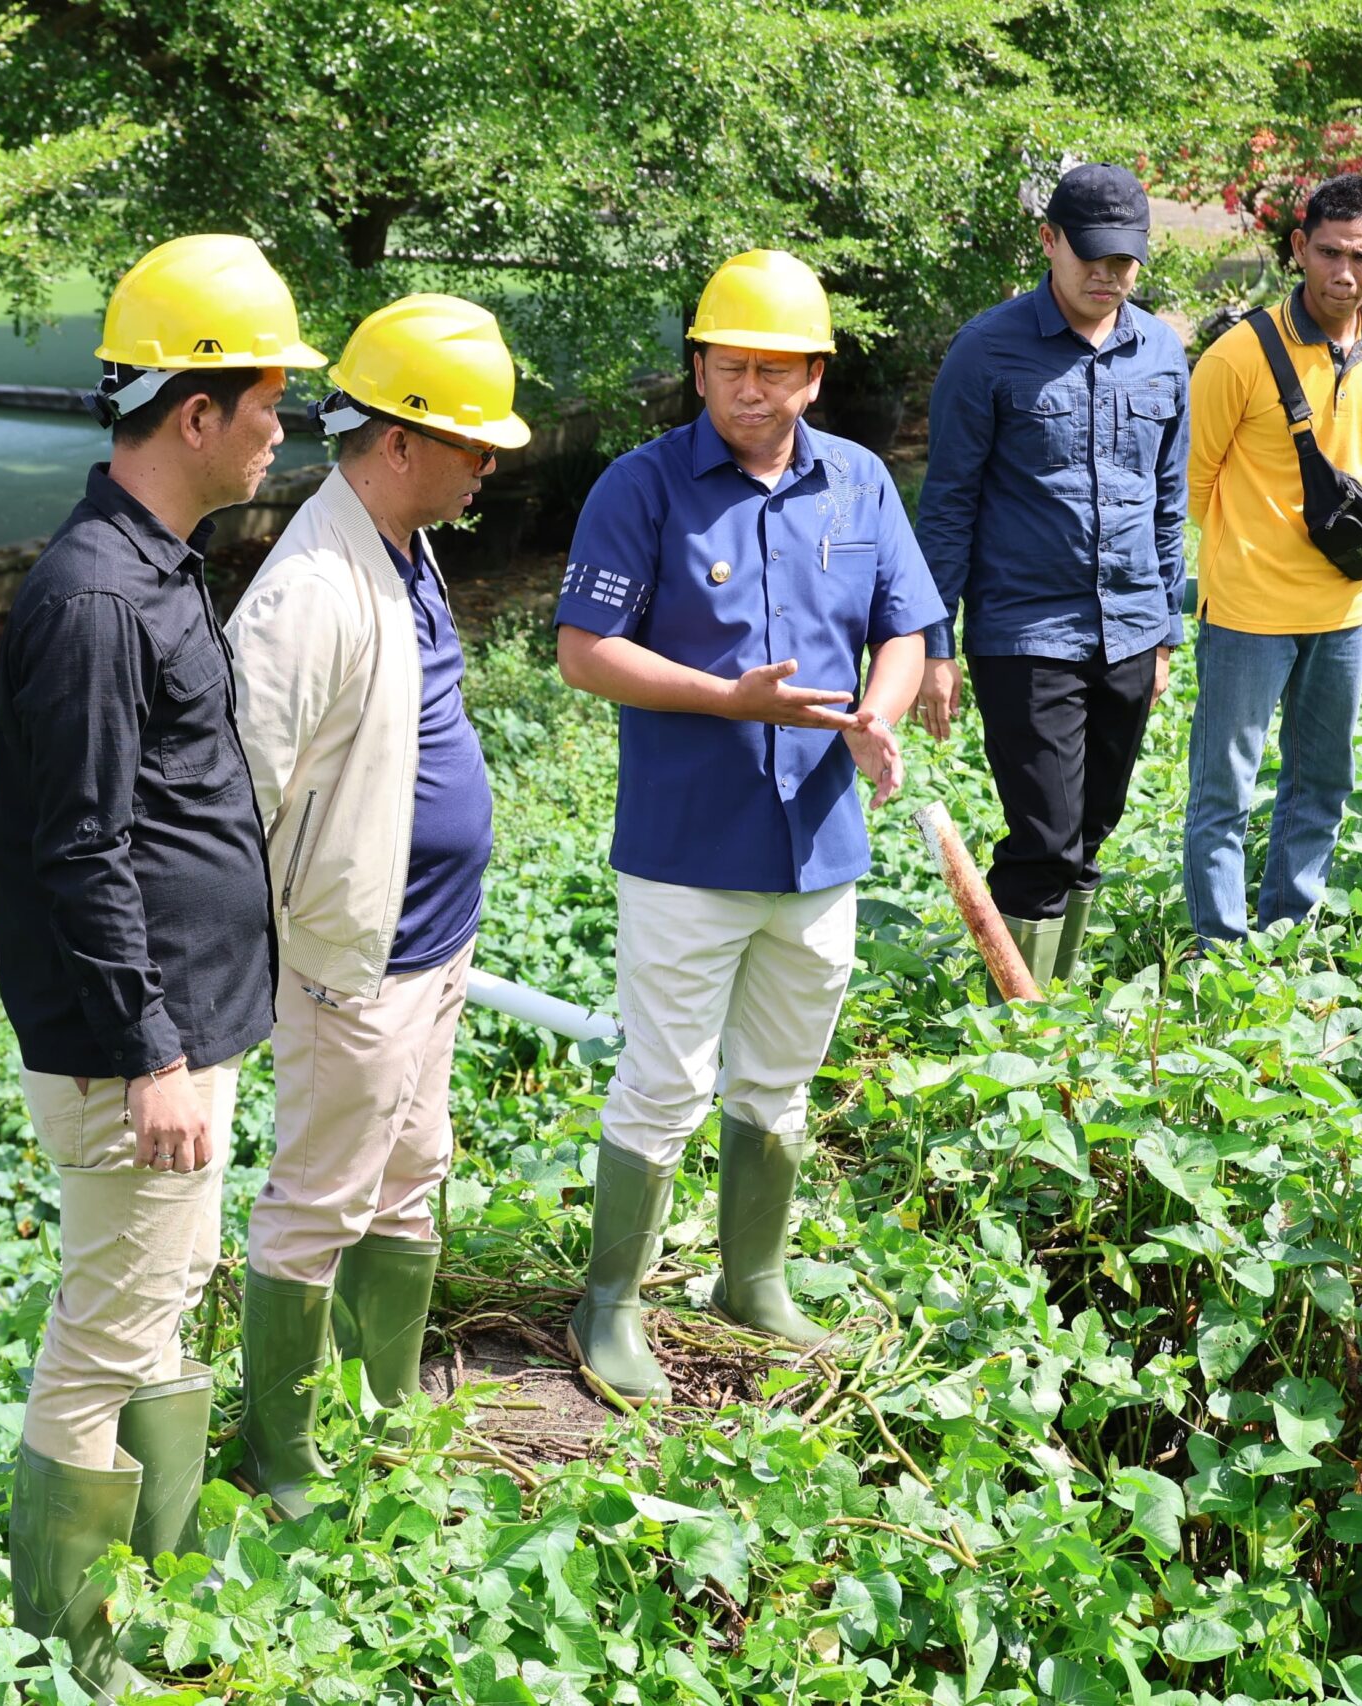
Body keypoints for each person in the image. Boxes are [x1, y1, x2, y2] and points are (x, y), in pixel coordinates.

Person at [0, 234, 324, 1682]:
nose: (277, 430)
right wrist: (155, 1053)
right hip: (141, 1047)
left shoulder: (158, 565)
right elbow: (77, 848)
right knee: (112, 1323)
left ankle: (152, 1581)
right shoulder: (98, 598)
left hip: (182, 1032)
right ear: (195, 411)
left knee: (156, 1301)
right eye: (267, 405)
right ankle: (72, 1638)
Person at [552, 248, 945, 1403]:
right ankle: (610, 1301)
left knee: (778, 1074)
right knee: (664, 1077)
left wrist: (877, 711)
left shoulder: (861, 484)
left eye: (777, 371)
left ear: (815, 376)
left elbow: (905, 624)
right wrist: (729, 698)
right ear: (700, 368)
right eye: (731, 368)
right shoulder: (642, 486)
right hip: (689, 843)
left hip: (819, 842)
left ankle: (751, 1278)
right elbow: (584, 652)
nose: (752, 390)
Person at [222, 294, 528, 1511]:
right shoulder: (304, 594)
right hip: (357, 962)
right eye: (470, 443)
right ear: (396, 439)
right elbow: (241, 797)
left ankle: (384, 1413)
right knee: (319, 1200)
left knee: (410, 1176)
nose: (490, 463)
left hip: (432, 946)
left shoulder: (406, 541)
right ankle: (285, 1456)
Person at [913, 163, 1188, 985]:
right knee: (1046, 834)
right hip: (1026, 632)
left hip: (1131, 631)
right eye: (1091, 258)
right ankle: (1019, 1024)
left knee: (1092, 827)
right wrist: (935, 646)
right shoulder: (986, 351)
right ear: (1048, 241)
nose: (1108, 277)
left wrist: (1165, 632)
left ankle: (1057, 1001)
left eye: (1125, 261)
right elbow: (949, 505)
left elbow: (1168, 503)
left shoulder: (1163, 352)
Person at [1182, 173, 1362, 942]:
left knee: (1322, 784)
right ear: (1298, 250)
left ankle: (1288, 934)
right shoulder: (1239, 355)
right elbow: (1193, 480)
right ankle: (1218, 950)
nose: (1345, 273)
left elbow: (1361, 456)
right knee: (1225, 791)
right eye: (1330, 253)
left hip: (1344, 607)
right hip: (1247, 611)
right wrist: (1247, 552)